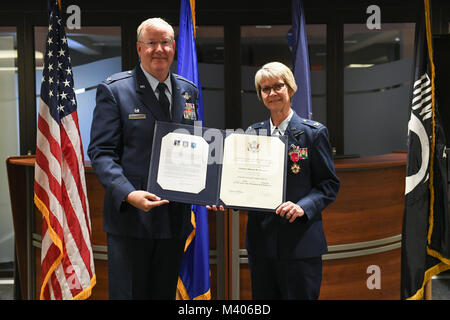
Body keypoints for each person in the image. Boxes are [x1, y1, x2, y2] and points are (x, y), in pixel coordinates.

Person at [87, 17, 200, 299]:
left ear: (173, 47)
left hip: (174, 219)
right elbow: (101, 153)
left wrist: (208, 189)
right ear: (139, 48)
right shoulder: (115, 90)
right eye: (151, 43)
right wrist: (128, 194)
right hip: (132, 220)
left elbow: (195, 147)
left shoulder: (189, 91)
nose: (159, 49)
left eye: (165, 42)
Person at [245, 61, 340, 299]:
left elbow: (329, 185)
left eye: (278, 86)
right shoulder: (252, 135)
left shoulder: (313, 133)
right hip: (262, 244)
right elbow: (245, 183)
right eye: (265, 89)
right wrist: (223, 198)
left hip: (300, 244)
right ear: (260, 96)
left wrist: (302, 206)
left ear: (291, 89)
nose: (272, 93)